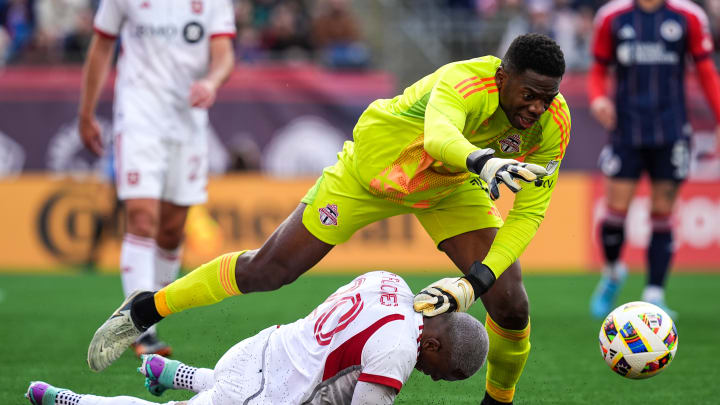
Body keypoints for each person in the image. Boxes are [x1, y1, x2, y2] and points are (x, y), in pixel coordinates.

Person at [88, 33, 570, 405]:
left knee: (510, 303)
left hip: (448, 187)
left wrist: (477, 281)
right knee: (268, 271)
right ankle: (144, 310)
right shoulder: (463, 80)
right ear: (502, 77)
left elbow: (530, 212)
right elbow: (441, 136)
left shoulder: (554, 124)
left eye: (546, 98)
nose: (537, 108)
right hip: (372, 171)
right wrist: (483, 162)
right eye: (529, 94)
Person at [27, 271, 489, 405]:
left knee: (227, 384)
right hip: (267, 394)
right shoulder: (399, 351)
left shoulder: (388, 280)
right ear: (432, 346)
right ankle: (68, 400)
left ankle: (167, 370)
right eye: (442, 373)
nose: (430, 378)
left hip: (262, 348)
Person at [77, 0, 236, 355]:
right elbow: (102, 45)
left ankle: (151, 320)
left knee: (171, 229)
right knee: (142, 217)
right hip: (138, 115)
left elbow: (224, 54)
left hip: (188, 121)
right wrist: (86, 111)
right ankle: (140, 332)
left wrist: (212, 81)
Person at [588, 0, 720, 319]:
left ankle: (654, 294)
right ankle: (613, 272)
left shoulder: (689, 16)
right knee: (615, 212)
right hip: (626, 131)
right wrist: (598, 99)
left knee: (663, 211)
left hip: (671, 130)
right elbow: (597, 69)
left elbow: (705, 71)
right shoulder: (612, 17)